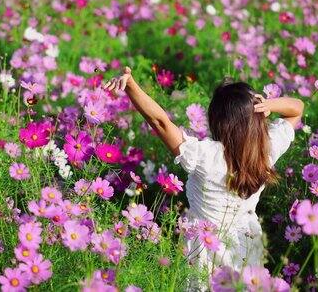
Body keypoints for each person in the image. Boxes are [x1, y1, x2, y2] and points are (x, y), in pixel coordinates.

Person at [104, 67, 304, 277]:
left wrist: (132, 86)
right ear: (257, 119)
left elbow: (160, 121)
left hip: (206, 253)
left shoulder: (206, 157)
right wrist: (269, 104)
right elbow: (297, 108)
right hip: (246, 246)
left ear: (220, 123)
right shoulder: (266, 150)